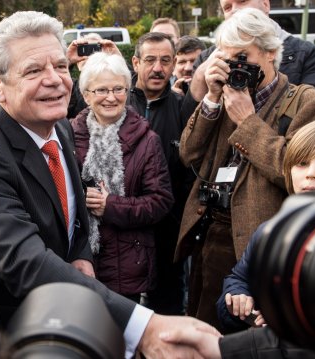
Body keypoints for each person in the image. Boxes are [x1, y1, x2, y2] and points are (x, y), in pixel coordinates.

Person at [0, 10, 220, 358]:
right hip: (15, 335)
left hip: (68, 316)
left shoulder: (58, 127)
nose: (55, 80)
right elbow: (24, 262)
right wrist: (145, 326)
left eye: (60, 66)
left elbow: (69, 211)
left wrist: (79, 253)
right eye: (33, 70)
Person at [175, 8, 315, 328]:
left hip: (258, 242)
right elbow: (188, 153)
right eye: (228, 57)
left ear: (271, 52)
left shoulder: (308, 102)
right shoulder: (228, 91)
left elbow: (297, 173)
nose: (236, 66)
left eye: (243, 56)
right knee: (201, 326)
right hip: (209, 230)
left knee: (243, 335)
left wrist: (248, 121)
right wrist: (212, 99)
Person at [217, 120, 315, 332]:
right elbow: (240, 277)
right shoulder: (270, 232)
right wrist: (238, 298)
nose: (311, 173)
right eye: (302, 163)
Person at [71, 52, 174, 303]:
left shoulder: (147, 140)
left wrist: (110, 205)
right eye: (101, 90)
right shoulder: (67, 136)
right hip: (79, 259)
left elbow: (161, 201)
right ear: (86, 95)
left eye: (118, 88)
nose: (110, 97)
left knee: (122, 338)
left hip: (130, 263)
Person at [186, 0, 315, 120]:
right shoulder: (207, 58)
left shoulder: (306, 53)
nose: (234, 10)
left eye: (243, 1)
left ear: (265, 4)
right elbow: (185, 125)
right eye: (227, 7)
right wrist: (201, 77)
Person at [129, 31, 192, 315]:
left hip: (169, 229)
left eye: (165, 60)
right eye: (150, 60)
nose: (158, 68)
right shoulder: (116, 102)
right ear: (135, 63)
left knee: (167, 305)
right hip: (122, 226)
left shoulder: (184, 109)